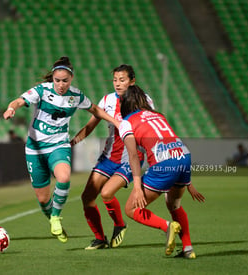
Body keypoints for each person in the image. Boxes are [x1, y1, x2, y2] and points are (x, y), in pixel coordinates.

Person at [71, 65, 204, 250]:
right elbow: (91, 124)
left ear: (132, 82)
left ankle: (121, 225)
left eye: (122, 80)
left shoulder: (142, 102)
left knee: (108, 194)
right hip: (109, 157)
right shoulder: (107, 100)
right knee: (87, 196)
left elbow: (151, 135)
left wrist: (150, 172)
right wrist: (73, 141)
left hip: (130, 159)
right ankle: (100, 238)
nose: (118, 84)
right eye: (115, 80)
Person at [3, 56, 119, 243]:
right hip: (35, 148)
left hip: (58, 145)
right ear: (53, 79)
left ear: (71, 78)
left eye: (65, 80)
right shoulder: (42, 90)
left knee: (64, 178)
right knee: (42, 199)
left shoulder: (76, 96)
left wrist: (115, 122)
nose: (61, 84)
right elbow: (19, 101)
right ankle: (52, 219)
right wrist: (11, 108)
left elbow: (95, 109)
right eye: (57, 80)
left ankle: (56, 217)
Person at [119, 85, 197, 259]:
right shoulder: (158, 115)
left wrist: (137, 187)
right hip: (183, 156)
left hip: (164, 162)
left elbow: (133, 156)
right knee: (174, 205)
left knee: (131, 209)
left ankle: (167, 226)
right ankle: (188, 249)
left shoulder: (126, 122)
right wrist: (188, 181)